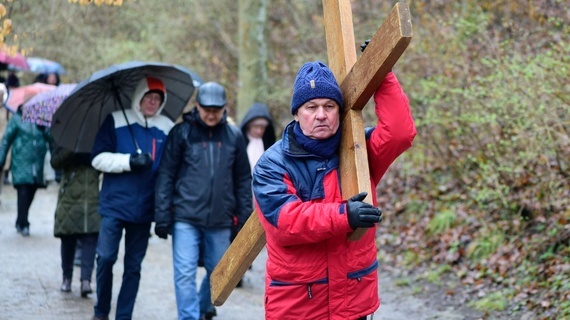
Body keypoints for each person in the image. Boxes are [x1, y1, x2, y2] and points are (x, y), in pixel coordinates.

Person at [252, 61, 417, 319]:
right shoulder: (272, 164)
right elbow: (285, 222)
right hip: (299, 306)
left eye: (329, 106)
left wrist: (382, 74)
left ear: (339, 112)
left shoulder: (360, 152)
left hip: (354, 301)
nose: (321, 115)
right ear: (296, 113)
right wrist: (344, 215)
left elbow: (399, 133)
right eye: (311, 107)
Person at [154, 81, 253, 320]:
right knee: (184, 272)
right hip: (185, 217)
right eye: (206, 109)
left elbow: (242, 179)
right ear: (197, 106)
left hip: (220, 219)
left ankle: (201, 307)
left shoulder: (234, 136)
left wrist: (245, 217)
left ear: (224, 108)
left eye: (216, 109)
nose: (211, 114)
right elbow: (166, 174)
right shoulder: (181, 133)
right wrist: (162, 214)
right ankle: (188, 317)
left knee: (218, 272)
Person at [90, 76, 174, 320]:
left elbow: (170, 169)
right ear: (139, 97)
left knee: (133, 267)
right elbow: (97, 159)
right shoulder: (116, 120)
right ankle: (101, 310)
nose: (152, 102)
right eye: (149, 97)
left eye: (157, 99)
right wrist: (128, 162)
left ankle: (123, 315)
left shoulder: (167, 127)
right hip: (114, 205)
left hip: (145, 209)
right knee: (105, 258)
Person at [50, 144, 100, 297]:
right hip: (69, 196)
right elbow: (55, 162)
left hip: (91, 195)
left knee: (90, 236)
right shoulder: (66, 138)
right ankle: (67, 278)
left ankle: (86, 280)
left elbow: (103, 163)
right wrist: (72, 149)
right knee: (68, 237)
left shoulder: (98, 136)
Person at [0, 106, 51, 237]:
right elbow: (6, 140)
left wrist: (45, 129)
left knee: (32, 191)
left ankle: (20, 219)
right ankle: (23, 223)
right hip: (21, 163)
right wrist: (1, 159)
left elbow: (51, 138)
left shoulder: (41, 119)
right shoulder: (16, 119)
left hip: (37, 165)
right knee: (23, 192)